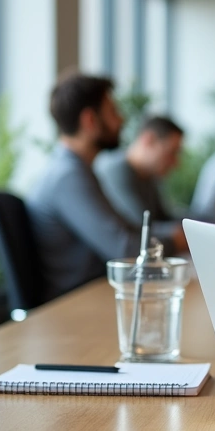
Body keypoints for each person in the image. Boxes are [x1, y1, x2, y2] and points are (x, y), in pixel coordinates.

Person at [28, 74, 186, 299]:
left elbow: (126, 230)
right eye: (113, 112)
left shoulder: (78, 170)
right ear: (90, 120)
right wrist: (176, 241)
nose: (121, 120)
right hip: (77, 303)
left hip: (92, 294)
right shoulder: (68, 176)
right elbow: (124, 250)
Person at [95, 115, 186, 239]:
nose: (176, 163)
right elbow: (139, 227)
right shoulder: (114, 169)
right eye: (172, 153)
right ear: (149, 140)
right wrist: (179, 233)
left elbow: (164, 218)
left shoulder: (150, 176)